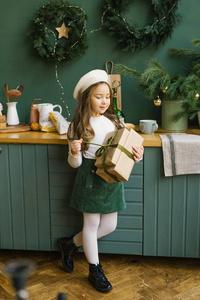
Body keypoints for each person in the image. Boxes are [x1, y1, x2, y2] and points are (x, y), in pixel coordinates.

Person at [58, 69, 144, 293]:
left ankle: (70, 244)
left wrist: (137, 154)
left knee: (109, 225)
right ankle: (94, 269)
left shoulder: (114, 121)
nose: (105, 101)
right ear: (87, 97)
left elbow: (122, 152)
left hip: (112, 178)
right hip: (90, 177)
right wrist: (75, 151)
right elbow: (74, 164)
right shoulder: (77, 125)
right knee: (92, 225)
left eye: (108, 96)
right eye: (99, 96)